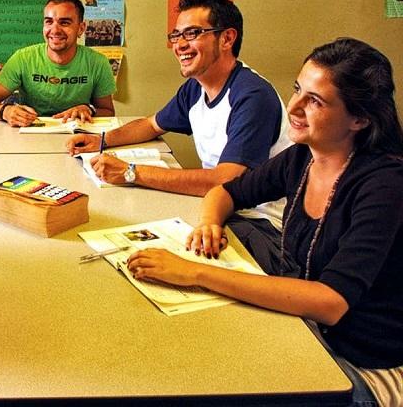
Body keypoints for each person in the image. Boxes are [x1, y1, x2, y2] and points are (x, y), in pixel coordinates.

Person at [127, 38, 403, 407]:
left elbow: (330, 302)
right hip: (305, 330)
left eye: (315, 101)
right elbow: (226, 192)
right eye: (297, 89)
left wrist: (195, 272)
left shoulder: (385, 186)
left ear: (360, 119)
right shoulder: (302, 157)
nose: (294, 107)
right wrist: (209, 223)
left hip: (361, 364)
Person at [68, 0, 290, 272]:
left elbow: (226, 180)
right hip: (219, 208)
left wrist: (131, 173)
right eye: (176, 35)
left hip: (260, 226)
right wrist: (101, 140)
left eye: (192, 33)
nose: (180, 45)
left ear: (227, 39)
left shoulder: (252, 96)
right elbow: (151, 125)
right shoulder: (196, 87)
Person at [0, 0, 116, 126]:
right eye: (49, 22)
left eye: (64, 23)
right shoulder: (23, 58)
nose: (55, 30)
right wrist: (5, 112)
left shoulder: (97, 62)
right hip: (31, 132)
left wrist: (89, 109)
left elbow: (108, 112)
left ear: (81, 28)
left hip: (78, 134)